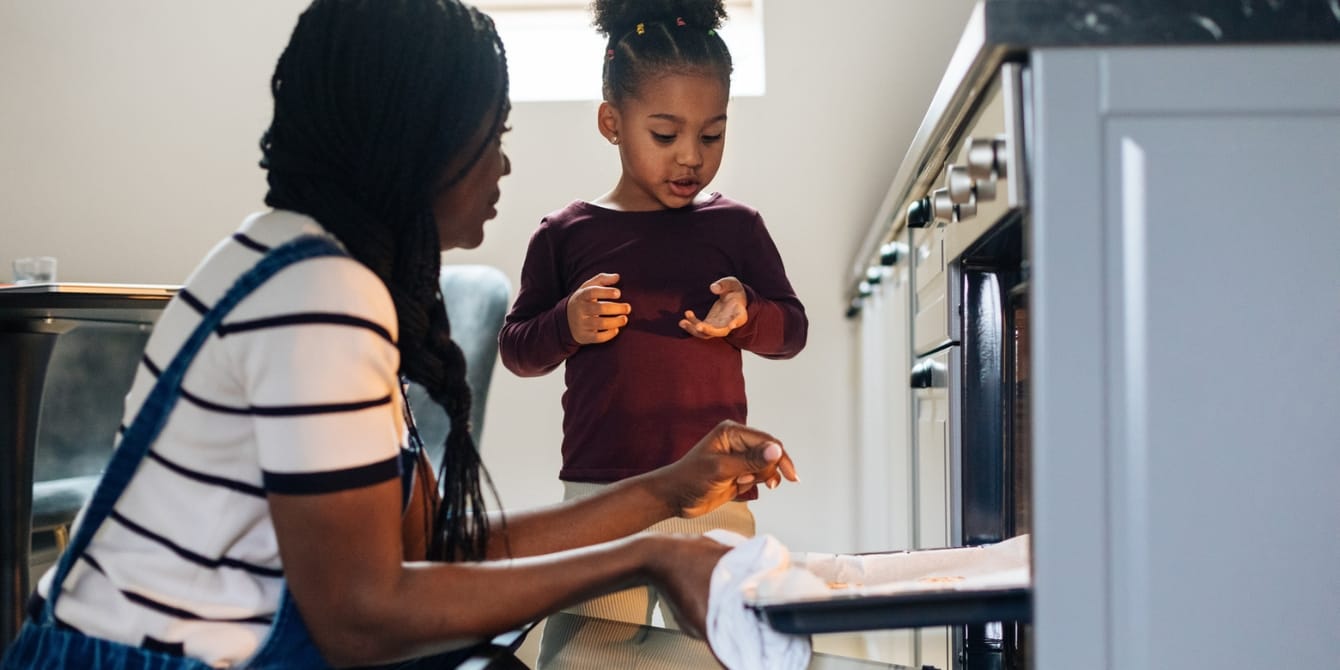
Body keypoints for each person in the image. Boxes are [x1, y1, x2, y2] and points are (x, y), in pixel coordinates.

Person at [1, 1, 797, 668]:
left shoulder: (292, 253)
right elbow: (362, 612)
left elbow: (430, 551)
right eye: (492, 138)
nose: (504, 169)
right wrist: (648, 551)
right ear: (419, 145)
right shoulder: (316, 292)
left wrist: (667, 490)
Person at [496, 0, 808, 648]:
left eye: (712, 134)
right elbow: (517, 349)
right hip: (599, 497)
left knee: (730, 652)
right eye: (665, 135)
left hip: (713, 499)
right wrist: (566, 324)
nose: (691, 158)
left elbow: (793, 331)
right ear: (612, 122)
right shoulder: (564, 235)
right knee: (579, 657)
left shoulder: (736, 228)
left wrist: (748, 314)